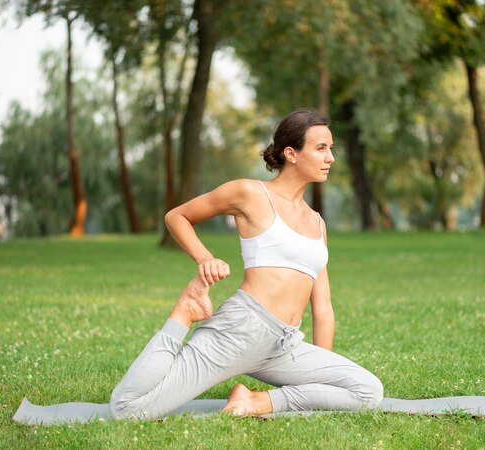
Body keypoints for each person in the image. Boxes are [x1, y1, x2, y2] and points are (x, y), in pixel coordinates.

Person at [109, 109, 383, 419]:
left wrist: (321, 373)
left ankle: (255, 401)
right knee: (128, 410)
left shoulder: (317, 223)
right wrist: (205, 258)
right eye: (321, 148)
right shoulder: (252, 194)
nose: (330, 157)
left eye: (331, 148)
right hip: (238, 332)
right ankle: (184, 311)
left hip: (284, 346)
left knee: (368, 391)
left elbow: (323, 309)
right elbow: (177, 216)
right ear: (291, 153)